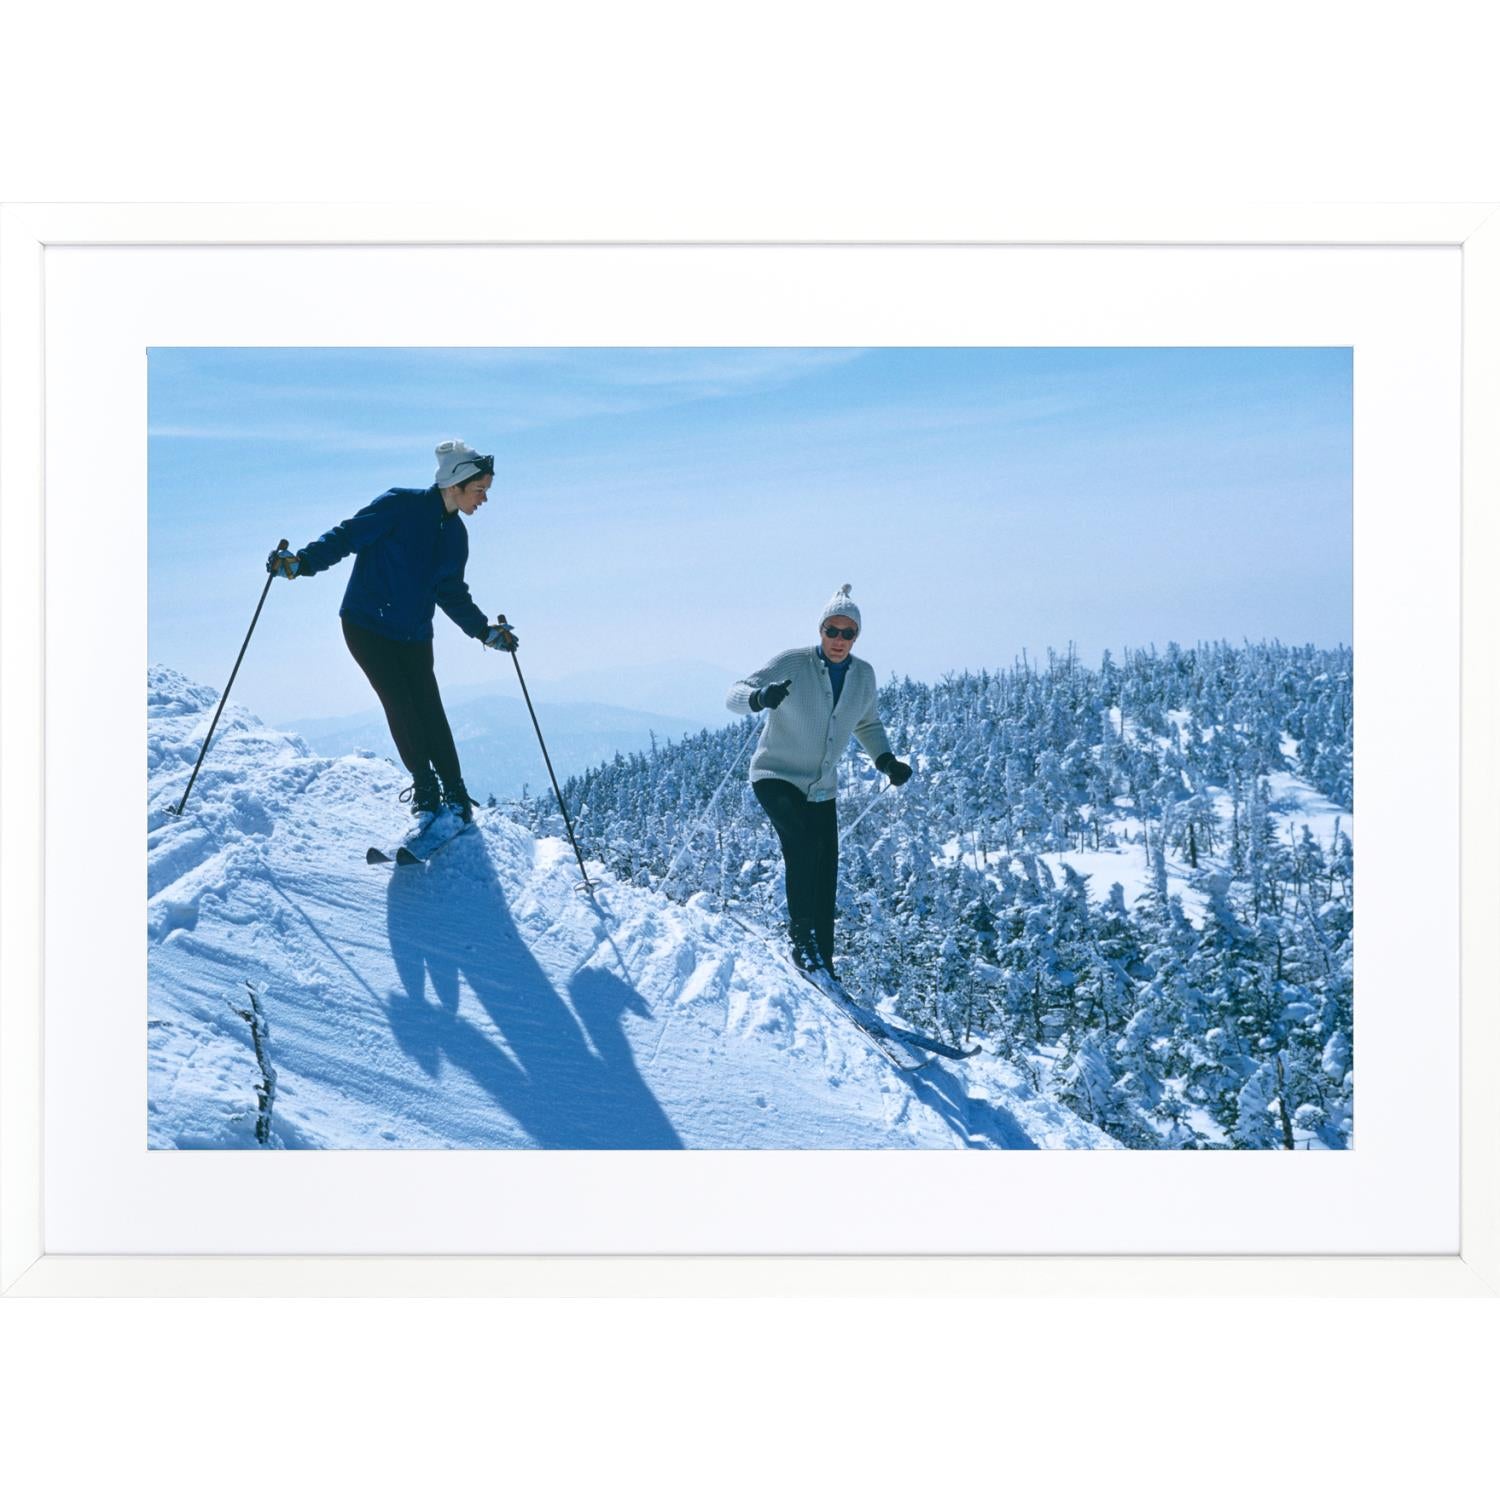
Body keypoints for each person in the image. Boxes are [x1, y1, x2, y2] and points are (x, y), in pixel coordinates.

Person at [266, 440, 518, 825]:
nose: (484, 499)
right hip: (367, 626)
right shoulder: (399, 505)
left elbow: (450, 592)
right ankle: (426, 789)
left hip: (414, 633)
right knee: (401, 702)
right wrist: (301, 563)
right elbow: (346, 536)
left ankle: (454, 790)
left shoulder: (455, 536)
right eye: (480, 489)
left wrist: (485, 632)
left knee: (429, 707)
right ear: (456, 484)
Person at [726, 584, 912, 978]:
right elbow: (734, 694)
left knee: (826, 868)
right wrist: (760, 697)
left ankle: (822, 958)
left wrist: (885, 760)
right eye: (833, 630)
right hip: (774, 775)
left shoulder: (863, 675)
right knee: (803, 844)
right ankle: (802, 942)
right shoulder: (793, 663)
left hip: (821, 788)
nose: (839, 640)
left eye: (848, 633)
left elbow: (867, 721)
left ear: (856, 636)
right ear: (821, 629)